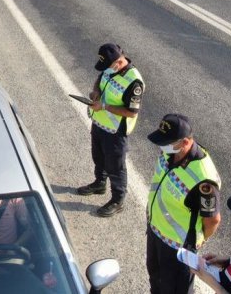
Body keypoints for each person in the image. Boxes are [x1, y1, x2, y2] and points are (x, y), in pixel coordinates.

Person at [146, 113, 222, 294]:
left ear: (185, 142)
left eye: (167, 142)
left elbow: (212, 220)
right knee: (155, 277)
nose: (162, 146)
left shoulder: (204, 180)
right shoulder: (170, 152)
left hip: (177, 247)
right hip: (155, 230)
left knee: (175, 290)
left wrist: (200, 240)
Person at [76, 43, 145, 217]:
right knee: (98, 157)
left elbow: (131, 112)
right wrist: (96, 93)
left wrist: (104, 106)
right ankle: (99, 184)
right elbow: (99, 81)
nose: (105, 69)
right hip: (99, 123)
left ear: (118, 62)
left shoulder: (134, 81)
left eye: (107, 66)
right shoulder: (109, 68)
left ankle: (118, 200)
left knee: (116, 166)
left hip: (115, 131)